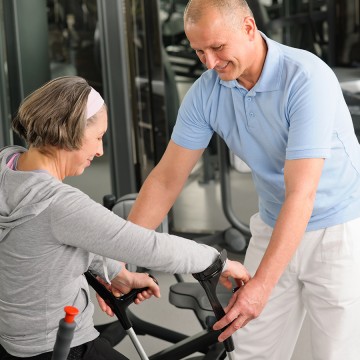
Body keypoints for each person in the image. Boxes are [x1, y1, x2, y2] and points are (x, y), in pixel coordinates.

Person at [127, 0, 360, 359]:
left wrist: (262, 286)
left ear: (249, 28)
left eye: (217, 48)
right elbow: (165, 180)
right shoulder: (207, 91)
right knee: (247, 350)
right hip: (273, 223)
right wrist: (119, 259)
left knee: (335, 353)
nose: (208, 62)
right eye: (199, 51)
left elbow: (302, 193)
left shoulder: (305, 78)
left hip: (339, 231)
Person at [0, 76, 251, 360]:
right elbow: (148, 246)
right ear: (68, 132)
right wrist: (219, 262)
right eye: (97, 137)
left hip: (15, 343)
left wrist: (118, 274)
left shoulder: (8, 170)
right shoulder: (60, 205)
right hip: (62, 347)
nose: (100, 150)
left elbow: (51, 244)